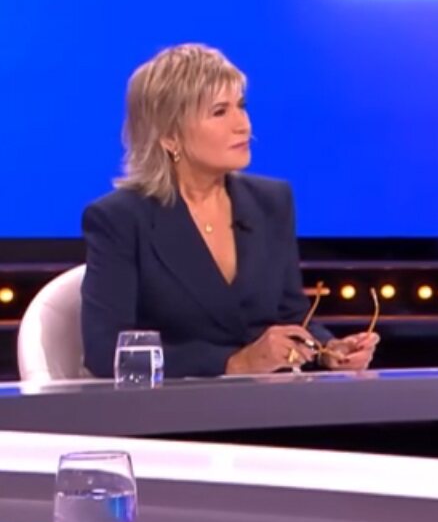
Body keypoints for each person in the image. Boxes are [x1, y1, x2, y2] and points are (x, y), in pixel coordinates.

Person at [81, 44, 377, 379]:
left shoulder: (272, 202)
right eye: (220, 112)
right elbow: (105, 352)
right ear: (170, 137)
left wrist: (326, 350)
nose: (243, 125)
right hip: (174, 406)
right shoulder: (120, 219)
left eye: (241, 106)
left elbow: (291, 318)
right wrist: (234, 363)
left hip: (267, 401)